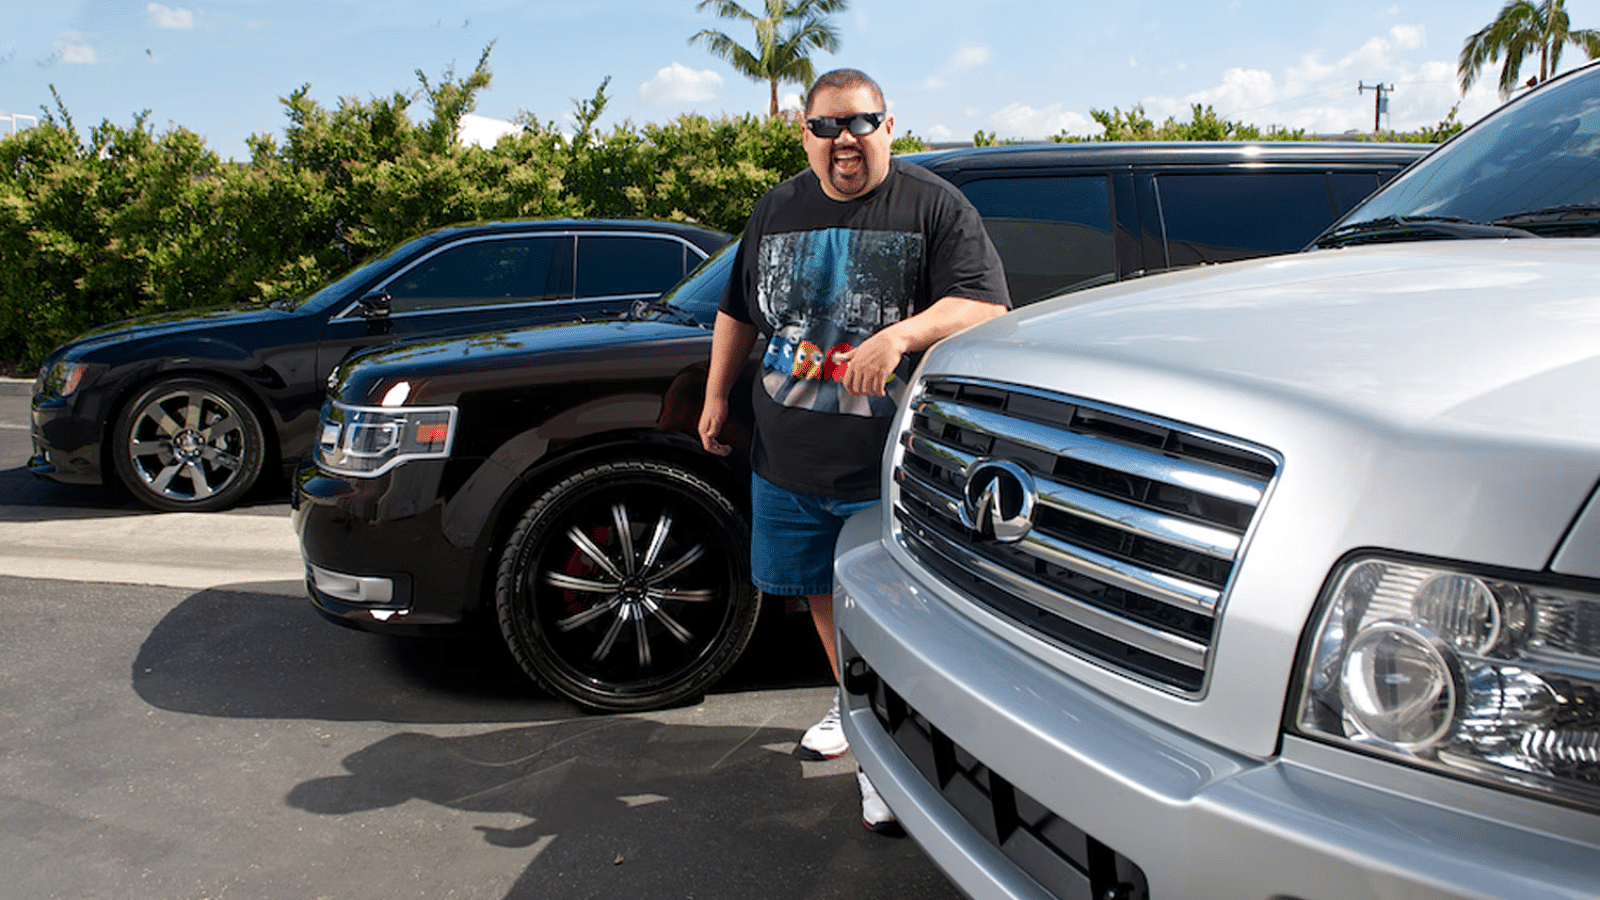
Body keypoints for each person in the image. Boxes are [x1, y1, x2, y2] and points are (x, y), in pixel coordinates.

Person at [697, 68, 1010, 834]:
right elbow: (738, 310)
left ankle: (885, 758)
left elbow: (987, 303)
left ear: (889, 127)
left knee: (897, 609)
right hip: (788, 458)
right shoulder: (776, 208)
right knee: (821, 596)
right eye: (829, 126)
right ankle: (855, 704)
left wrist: (900, 334)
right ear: (804, 133)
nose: (846, 141)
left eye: (862, 123)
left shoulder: (932, 205)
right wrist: (714, 396)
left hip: (890, 467)